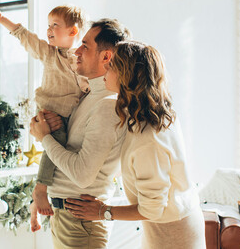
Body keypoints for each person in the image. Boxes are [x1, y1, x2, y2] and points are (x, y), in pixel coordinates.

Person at [63, 41, 206, 249]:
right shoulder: (152, 112)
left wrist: (103, 212)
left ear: (126, 75)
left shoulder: (147, 139)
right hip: (170, 223)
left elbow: (153, 209)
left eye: (111, 66)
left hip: (173, 232)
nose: (105, 68)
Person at [0, 4, 89, 232]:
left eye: (55, 25)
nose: (49, 29)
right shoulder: (49, 53)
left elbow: (88, 85)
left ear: (73, 32)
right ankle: (40, 190)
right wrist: (1, 19)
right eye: (48, 25)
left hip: (69, 117)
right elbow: (25, 36)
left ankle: (35, 209)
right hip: (50, 114)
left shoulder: (81, 58)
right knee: (56, 145)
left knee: (61, 161)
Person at [30, 19, 131, 248]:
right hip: (69, 218)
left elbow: (82, 176)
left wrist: (44, 137)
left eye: (85, 45)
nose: (76, 50)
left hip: (80, 223)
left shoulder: (107, 105)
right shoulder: (88, 96)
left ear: (106, 57)